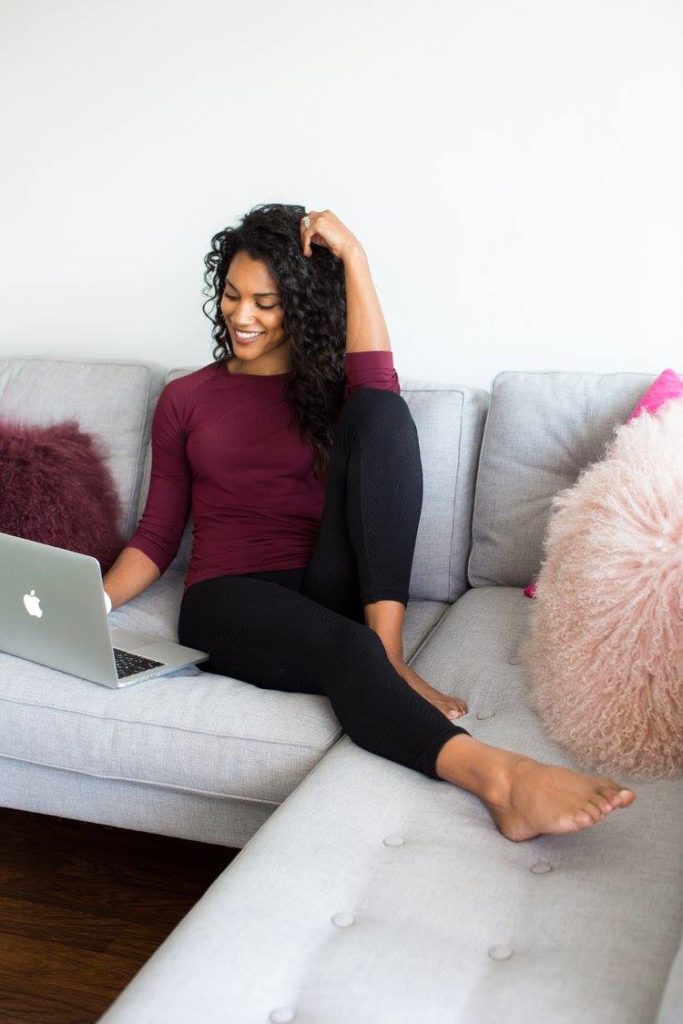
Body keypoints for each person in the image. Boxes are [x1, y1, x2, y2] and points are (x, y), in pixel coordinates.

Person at [102, 203, 637, 842]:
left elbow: (379, 389)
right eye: (232, 295)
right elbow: (158, 534)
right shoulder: (186, 398)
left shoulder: (326, 389)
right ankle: (501, 778)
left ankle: (389, 652)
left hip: (326, 581)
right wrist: (95, 601)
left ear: (300, 306)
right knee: (348, 648)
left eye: (266, 303)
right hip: (230, 597)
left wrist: (354, 256)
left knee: (380, 412)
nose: (242, 316)